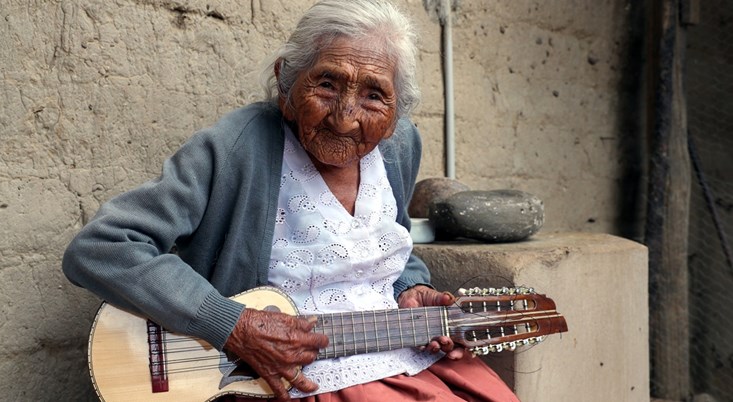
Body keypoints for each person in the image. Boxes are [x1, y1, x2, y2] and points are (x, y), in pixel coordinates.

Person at [62, 0, 519, 401]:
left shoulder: (398, 146)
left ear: (398, 111)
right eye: (327, 85)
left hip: (398, 353)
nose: (344, 118)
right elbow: (102, 249)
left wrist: (410, 289)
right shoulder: (235, 148)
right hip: (284, 377)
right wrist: (233, 325)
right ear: (286, 84)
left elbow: (389, 242)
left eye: (374, 95)